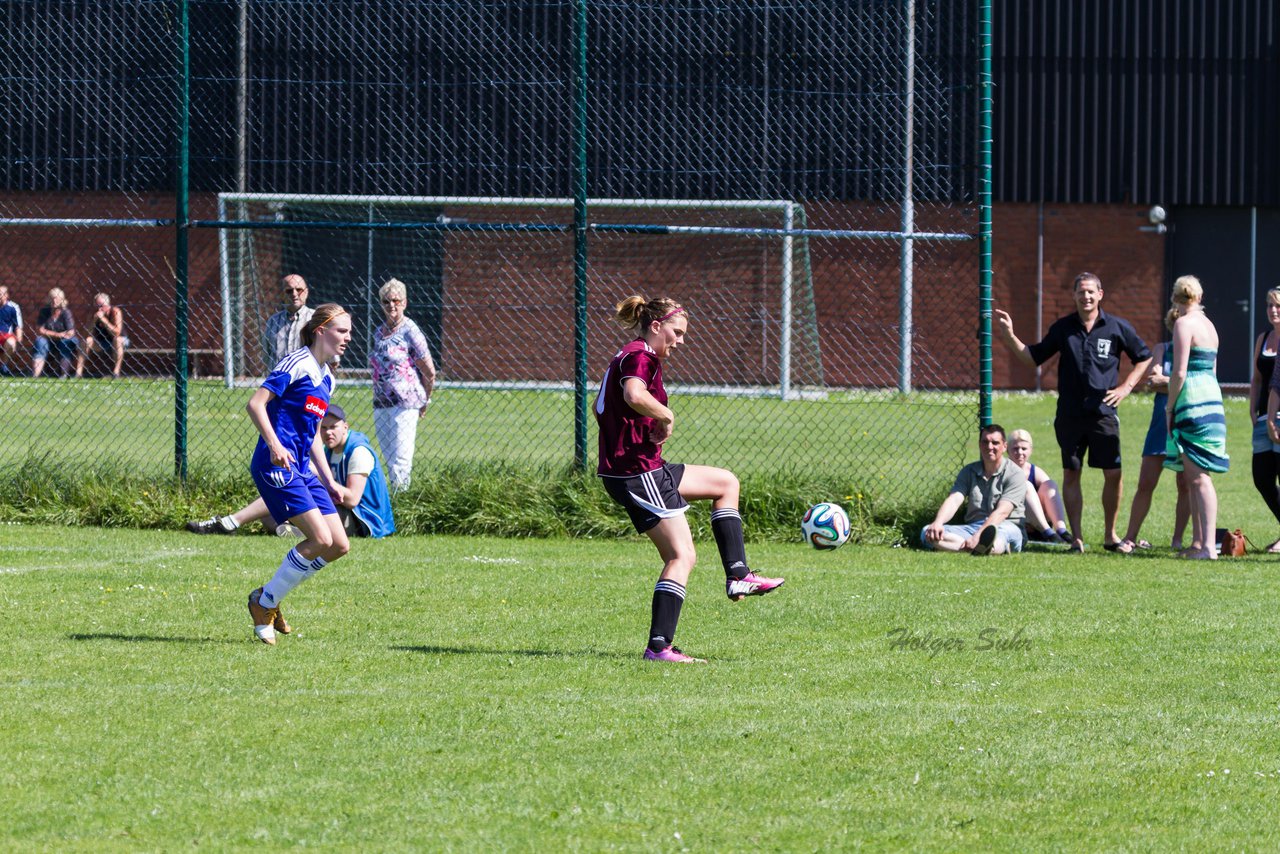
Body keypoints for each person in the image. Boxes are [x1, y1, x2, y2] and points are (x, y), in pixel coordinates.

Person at [595, 295, 784, 664]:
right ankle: (659, 647)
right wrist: (665, 416)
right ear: (655, 326)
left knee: (725, 483)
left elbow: (603, 406)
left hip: (642, 467)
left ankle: (738, 574)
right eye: (676, 333)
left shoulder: (630, 354)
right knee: (682, 556)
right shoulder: (641, 357)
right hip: (637, 473)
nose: (680, 341)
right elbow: (633, 395)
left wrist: (638, 426)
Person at [995, 272, 1152, 552]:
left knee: (1113, 473)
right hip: (1070, 414)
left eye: (1091, 292)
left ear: (1100, 294)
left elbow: (1144, 356)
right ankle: (1076, 539)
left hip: (1104, 413)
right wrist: (1009, 336)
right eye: (1081, 292)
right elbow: (1033, 358)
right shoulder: (1063, 328)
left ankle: (1110, 535)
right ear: (1074, 296)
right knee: (1071, 473)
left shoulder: (1116, 327)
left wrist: (1126, 387)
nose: (1086, 296)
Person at [244, 303, 353, 645]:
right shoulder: (297, 363)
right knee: (320, 538)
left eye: (349, 332)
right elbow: (255, 404)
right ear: (320, 330)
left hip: (304, 469)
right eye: (342, 331)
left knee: (338, 545)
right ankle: (265, 604)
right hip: (276, 465)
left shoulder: (327, 377)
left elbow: (313, 434)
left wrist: (329, 479)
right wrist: (274, 444)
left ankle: (270, 595)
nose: (347, 338)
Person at [186, 402, 395, 539]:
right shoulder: (328, 450)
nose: (328, 432)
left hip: (363, 520)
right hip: (337, 507)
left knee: (294, 500)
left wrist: (318, 477)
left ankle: (231, 522)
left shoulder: (358, 451)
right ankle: (288, 528)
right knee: (269, 515)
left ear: (346, 427)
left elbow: (352, 500)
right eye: (323, 428)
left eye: (333, 427)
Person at [1115, 307, 1191, 553]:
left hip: (1186, 421)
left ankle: (1177, 540)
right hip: (1160, 424)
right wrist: (1177, 382)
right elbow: (1152, 382)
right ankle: (1130, 537)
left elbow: (1193, 383)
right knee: (1146, 482)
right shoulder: (1162, 349)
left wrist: (1168, 382)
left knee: (1185, 484)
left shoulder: (1196, 352)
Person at [1168, 276, 1228, 560]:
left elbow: (1179, 372)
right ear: (1199, 297)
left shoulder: (1183, 324)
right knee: (1194, 477)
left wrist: (1170, 407)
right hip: (1211, 399)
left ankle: (1207, 548)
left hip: (1192, 399)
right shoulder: (1210, 326)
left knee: (1199, 477)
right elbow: (1213, 371)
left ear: (1175, 299)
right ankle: (1198, 543)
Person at [369, 277, 436, 491]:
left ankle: (403, 501)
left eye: (396, 301)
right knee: (389, 459)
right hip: (382, 402)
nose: (392, 306)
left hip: (405, 404)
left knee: (401, 459)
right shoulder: (379, 332)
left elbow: (429, 371)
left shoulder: (410, 331)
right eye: (387, 302)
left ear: (404, 303)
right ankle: (393, 500)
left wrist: (426, 399)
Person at [921, 424, 1027, 555]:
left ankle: (988, 546)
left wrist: (979, 535)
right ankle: (979, 548)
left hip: (1005, 525)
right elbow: (954, 499)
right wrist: (938, 522)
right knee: (927, 532)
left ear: (1004, 446)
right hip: (971, 527)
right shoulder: (969, 471)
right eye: (985, 442)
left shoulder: (1015, 474)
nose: (989, 447)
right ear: (979, 444)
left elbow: (1002, 512)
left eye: (995, 443)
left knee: (1000, 536)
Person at [1250, 287, 1280, 552]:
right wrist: (1252, 409)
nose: (1273, 310)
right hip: (1263, 417)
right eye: (1269, 305)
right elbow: (1258, 379)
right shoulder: (1264, 338)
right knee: (1262, 477)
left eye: (1277, 306)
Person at [1005, 429, 1069, 544]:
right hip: (1017, 521)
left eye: (1024, 449)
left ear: (1030, 450)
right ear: (1007, 450)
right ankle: (1048, 533)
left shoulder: (1035, 471)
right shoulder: (1003, 470)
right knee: (1026, 485)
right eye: (1015, 449)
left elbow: (1050, 496)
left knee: (1050, 485)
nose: (1020, 452)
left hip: (1039, 521)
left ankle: (1062, 531)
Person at [263, 274, 315, 369]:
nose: (294, 294)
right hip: (279, 379)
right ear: (282, 294)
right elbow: (267, 354)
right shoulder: (273, 320)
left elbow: (332, 359)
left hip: (307, 379)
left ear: (306, 292)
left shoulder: (316, 318)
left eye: (299, 290)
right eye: (289, 291)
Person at [31, 288, 80, 378]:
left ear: (62, 300)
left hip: (63, 340)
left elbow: (71, 332)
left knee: (65, 343)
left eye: (57, 298)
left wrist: (51, 333)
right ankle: (35, 375)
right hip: (48, 340)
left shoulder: (66, 312)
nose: (54, 300)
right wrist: (58, 334)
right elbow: (39, 330)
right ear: (49, 299)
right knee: (39, 341)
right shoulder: (44, 311)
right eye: (52, 298)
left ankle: (63, 374)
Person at [80, 292, 126, 378]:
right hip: (102, 342)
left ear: (108, 304)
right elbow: (85, 334)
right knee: (87, 340)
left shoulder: (115, 311)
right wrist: (93, 321)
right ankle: (78, 373)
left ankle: (116, 372)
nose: (99, 309)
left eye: (102, 306)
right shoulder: (94, 313)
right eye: (97, 306)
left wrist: (104, 320)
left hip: (119, 341)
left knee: (117, 339)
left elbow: (117, 332)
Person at [0, 286, 22, 376]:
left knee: (11, 343)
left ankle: (2, 366)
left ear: (6, 296)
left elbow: (17, 326)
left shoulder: (13, 307)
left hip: (6, 335)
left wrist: (19, 338)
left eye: (0, 294)